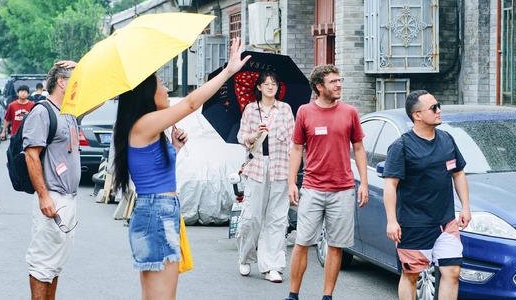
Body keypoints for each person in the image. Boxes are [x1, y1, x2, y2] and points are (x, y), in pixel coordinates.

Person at [112, 38, 250, 300]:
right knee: (163, 296)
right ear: (148, 94)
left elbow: (153, 172)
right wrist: (229, 71)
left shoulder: (145, 127)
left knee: (155, 295)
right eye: (161, 85)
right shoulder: (145, 123)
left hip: (158, 210)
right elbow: (190, 104)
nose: (165, 90)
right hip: (157, 212)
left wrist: (173, 148)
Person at [285, 64, 368, 300]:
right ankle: (293, 294)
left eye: (339, 80)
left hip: (342, 189)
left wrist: (363, 182)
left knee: (336, 245)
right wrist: (292, 183)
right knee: (302, 242)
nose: (339, 84)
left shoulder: (350, 112)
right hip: (312, 187)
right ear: (319, 87)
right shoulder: (304, 112)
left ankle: (327, 296)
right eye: (333, 81)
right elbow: (297, 148)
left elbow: (359, 148)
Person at [382, 90, 471, 300]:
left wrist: (465, 207)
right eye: (433, 108)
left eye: (438, 105)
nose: (439, 110)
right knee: (411, 275)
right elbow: (390, 185)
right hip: (414, 225)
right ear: (417, 115)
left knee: (452, 272)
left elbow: (458, 174)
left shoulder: (447, 139)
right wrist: (392, 221)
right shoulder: (401, 146)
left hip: (446, 222)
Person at [23, 61, 78, 300]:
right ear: (61, 82)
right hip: (52, 197)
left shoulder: (70, 111)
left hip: (68, 199)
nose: (81, 85)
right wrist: (44, 196)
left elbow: (103, 94)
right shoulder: (42, 112)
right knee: (42, 264)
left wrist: (82, 67)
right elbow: (31, 155)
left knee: (55, 264)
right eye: (76, 80)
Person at [236, 71, 295, 283]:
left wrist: (294, 172)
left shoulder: (286, 109)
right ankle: (246, 256)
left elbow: (292, 140)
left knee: (277, 219)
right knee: (252, 217)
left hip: (280, 167)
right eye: (266, 83)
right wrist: (254, 135)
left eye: (274, 83)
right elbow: (242, 137)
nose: (270, 86)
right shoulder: (251, 110)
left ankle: (273, 266)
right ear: (259, 87)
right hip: (257, 168)